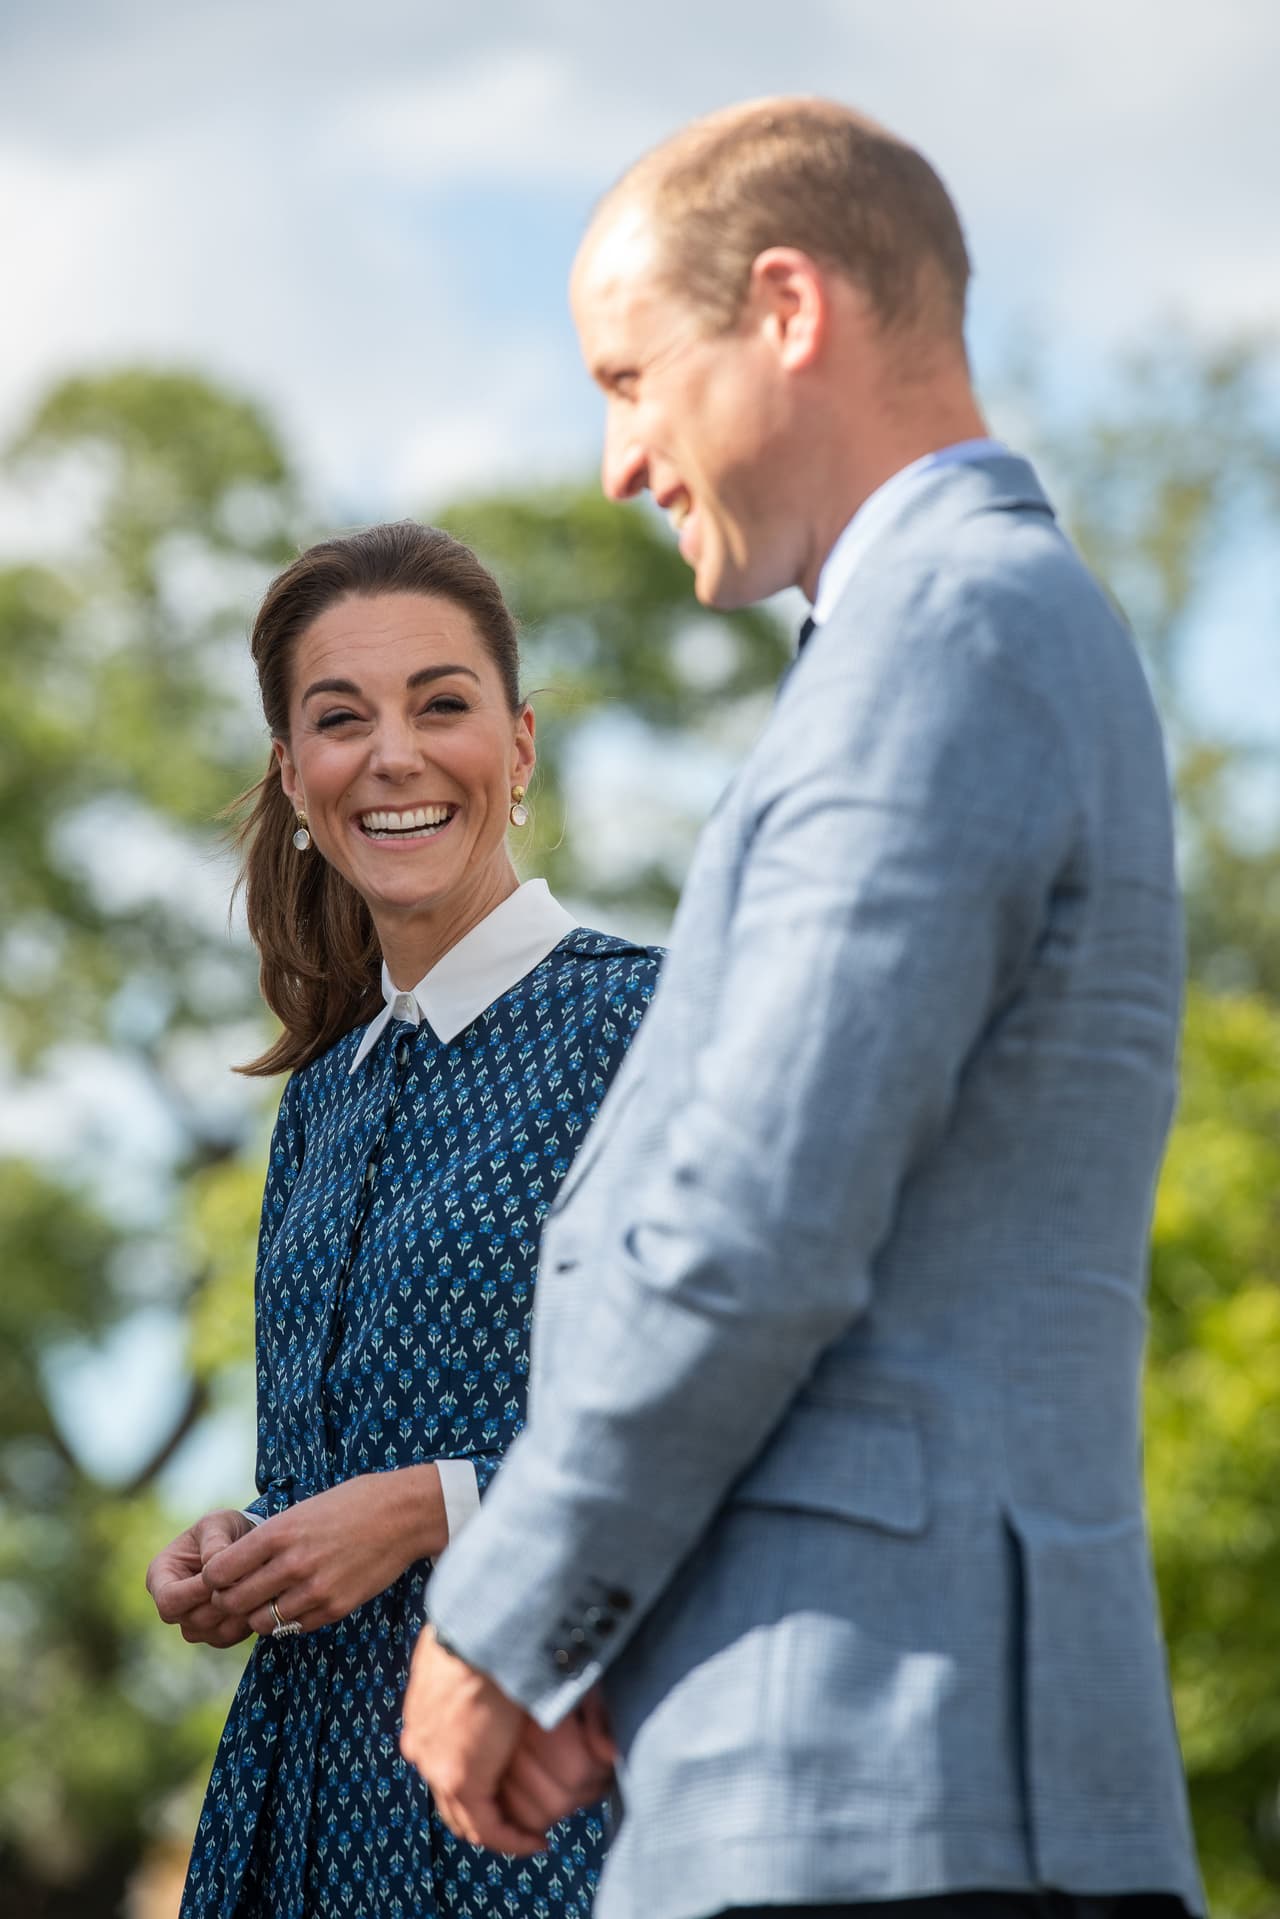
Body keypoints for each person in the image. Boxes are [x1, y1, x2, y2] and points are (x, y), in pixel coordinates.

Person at [400, 97, 1205, 1919]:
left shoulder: (950, 637)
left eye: (629, 377)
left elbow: (756, 1216)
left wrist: (510, 1618)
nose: (618, 458)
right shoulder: (949, 635)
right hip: (849, 1766)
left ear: (787, 307)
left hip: (884, 1789)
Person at [144, 521, 660, 1919]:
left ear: (523, 745)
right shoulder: (321, 1102)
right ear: (295, 779)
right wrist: (253, 1546)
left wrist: (438, 1507)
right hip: (307, 1817)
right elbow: (349, 1466)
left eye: (443, 704)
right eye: (340, 719)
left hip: (544, 1809)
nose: (394, 755)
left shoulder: (650, 1026)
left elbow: (760, 1417)